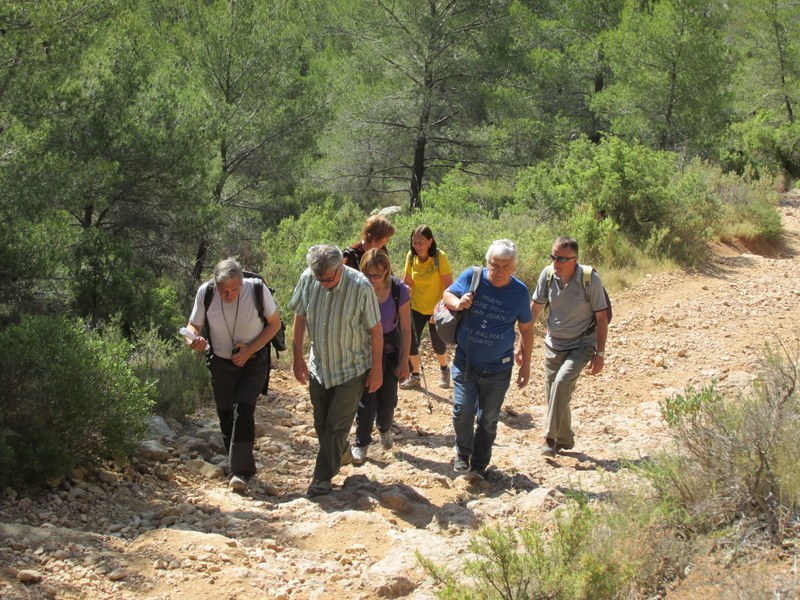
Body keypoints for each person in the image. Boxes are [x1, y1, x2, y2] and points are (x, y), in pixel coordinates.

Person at [288, 245, 383, 496]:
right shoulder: (309, 279)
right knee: (321, 422)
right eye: (320, 278)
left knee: (336, 425)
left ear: (341, 264)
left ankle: (321, 479)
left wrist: (377, 369)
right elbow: (299, 318)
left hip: (352, 367)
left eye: (328, 278)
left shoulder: (360, 286)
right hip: (320, 365)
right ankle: (341, 452)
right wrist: (297, 358)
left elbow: (375, 330)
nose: (324, 283)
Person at [184, 258, 283, 494]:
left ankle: (241, 473)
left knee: (244, 410)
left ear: (242, 282)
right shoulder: (205, 293)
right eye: (223, 290)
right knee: (226, 415)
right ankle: (238, 465)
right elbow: (192, 326)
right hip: (220, 361)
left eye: (234, 290)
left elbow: (274, 324)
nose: (228, 295)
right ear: (215, 285)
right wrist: (192, 341)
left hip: (253, 360)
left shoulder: (257, 290)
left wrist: (250, 348)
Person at [442, 239, 533, 478]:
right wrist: (458, 303)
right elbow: (447, 294)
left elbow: (526, 329)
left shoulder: (520, 292)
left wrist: (526, 365)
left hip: (498, 368)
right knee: (462, 410)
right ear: (487, 262)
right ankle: (462, 454)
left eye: (506, 266)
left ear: (514, 267)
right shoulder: (473, 277)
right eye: (495, 265)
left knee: (488, 419)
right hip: (466, 361)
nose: (499, 271)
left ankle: (480, 464)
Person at [517, 236, 608, 457]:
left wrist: (600, 353)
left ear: (575, 259)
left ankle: (549, 440)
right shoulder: (547, 275)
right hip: (553, 344)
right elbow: (534, 310)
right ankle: (565, 439)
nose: (556, 263)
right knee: (555, 396)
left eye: (561, 259)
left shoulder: (589, 279)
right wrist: (521, 344)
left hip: (581, 344)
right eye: (553, 257)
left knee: (560, 384)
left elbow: (602, 317)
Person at [351, 249, 412, 464]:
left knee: (387, 400)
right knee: (366, 402)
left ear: (386, 270)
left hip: (390, 351)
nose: (372, 279)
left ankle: (385, 428)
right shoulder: (357, 289)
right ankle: (362, 443)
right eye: (368, 274)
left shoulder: (398, 290)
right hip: (364, 352)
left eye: (377, 275)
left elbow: (405, 328)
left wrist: (405, 361)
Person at [400, 225, 454, 389]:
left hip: (437, 308)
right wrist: (403, 292)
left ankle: (444, 369)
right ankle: (415, 375)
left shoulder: (439, 257)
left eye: (421, 242)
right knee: (410, 341)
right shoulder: (411, 257)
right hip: (416, 306)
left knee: (437, 342)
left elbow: (449, 286)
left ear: (430, 242)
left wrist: (440, 308)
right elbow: (407, 281)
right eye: (414, 242)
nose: (417, 245)